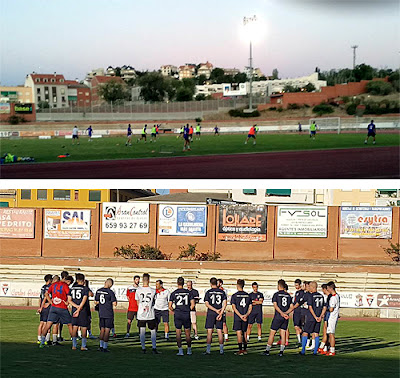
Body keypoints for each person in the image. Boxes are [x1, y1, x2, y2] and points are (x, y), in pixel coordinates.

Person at [38, 275, 75, 348]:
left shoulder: (53, 285)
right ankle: (74, 344)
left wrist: (51, 302)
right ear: (67, 281)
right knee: (69, 324)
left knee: (48, 325)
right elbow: (69, 296)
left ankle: (42, 342)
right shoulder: (65, 286)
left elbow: (46, 294)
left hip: (53, 307)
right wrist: (67, 302)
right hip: (62, 307)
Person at [262, 279, 292, 357]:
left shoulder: (276, 294)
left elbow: (275, 306)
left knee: (272, 333)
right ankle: (281, 351)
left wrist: (282, 313)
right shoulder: (288, 295)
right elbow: (292, 307)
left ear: (279, 286)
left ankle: (267, 350)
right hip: (285, 317)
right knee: (283, 334)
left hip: (278, 316)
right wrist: (286, 313)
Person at [296, 281, 326, 355]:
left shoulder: (311, 296)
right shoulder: (321, 296)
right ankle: (315, 351)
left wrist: (315, 316)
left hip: (311, 317)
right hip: (319, 318)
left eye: (309, 287)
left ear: (312, 287)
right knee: (316, 333)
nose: (308, 288)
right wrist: (320, 316)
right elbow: (324, 307)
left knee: (305, 332)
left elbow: (310, 307)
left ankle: (303, 350)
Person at [169, 277, 195, 356]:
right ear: (184, 283)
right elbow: (193, 304)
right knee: (187, 333)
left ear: (177, 283)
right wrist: (187, 309)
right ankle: (189, 350)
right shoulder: (189, 293)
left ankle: (180, 350)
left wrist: (174, 311)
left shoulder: (174, 293)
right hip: (186, 314)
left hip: (178, 314)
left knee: (178, 332)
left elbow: (170, 306)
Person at [136, 273, 159, 354]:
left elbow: (137, 302)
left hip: (141, 314)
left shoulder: (138, 290)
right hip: (150, 314)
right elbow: (154, 301)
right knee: (153, 331)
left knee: (142, 331)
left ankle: (143, 348)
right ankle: (154, 348)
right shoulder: (153, 291)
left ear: (142, 280)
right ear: (149, 280)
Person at [203, 277, 227, 355]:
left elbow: (207, 304)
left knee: (209, 331)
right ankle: (221, 350)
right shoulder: (222, 292)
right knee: (219, 331)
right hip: (219, 312)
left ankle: (208, 350)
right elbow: (225, 304)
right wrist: (220, 313)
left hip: (211, 313)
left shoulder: (208, 292)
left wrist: (215, 310)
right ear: (217, 283)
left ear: (210, 284)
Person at [94, 278, 117, 353]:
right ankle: (105, 347)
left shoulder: (98, 291)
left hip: (101, 312)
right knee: (107, 330)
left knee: (102, 329)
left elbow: (96, 302)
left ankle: (100, 346)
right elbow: (114, 303)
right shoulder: (110, 292)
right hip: (108, 313)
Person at [230, 279, 252, 355]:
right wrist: (246, 315)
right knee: (245, 333)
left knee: (239, 333)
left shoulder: (234, 296)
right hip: (245, 317)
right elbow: (250, 307)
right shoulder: (248, 295)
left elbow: (234, 307)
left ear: (237, 285)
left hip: (238, 317)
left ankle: (240, 350)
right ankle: (245, 350)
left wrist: (240, 316)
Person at [68, 273, 89, 351]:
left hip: (74, 309)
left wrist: (76, 307)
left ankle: (74, 345)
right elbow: (84, 299)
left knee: (75, 327)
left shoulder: (71, 289)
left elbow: (69, 300)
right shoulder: (85, 289)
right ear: (83, 280)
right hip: (82, 310)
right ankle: (83, 345)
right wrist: (79, 308)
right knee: (83, 327)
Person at [320, 281, 340, 356]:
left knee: (331, 334)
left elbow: (331, 309)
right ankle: (329, 349)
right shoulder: (337, 296)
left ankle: (332, 350)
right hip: (333, 317)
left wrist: (325, 310)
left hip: (332, 318)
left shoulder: (333, 298)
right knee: (329, 333)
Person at [37, 274, 53, 345]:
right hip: (47, 307)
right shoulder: (50, 287)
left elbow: (40, 298)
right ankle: (47, 339)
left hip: (42, 307)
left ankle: (39, 338)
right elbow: (50, 297)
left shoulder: (43, 287)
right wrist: (49, 304)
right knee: (47, 323)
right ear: (50, 280)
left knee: (41, 323)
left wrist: (40, 307)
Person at [292, 279, 305, 347]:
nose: (296, 286)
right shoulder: (297, 292)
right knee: (296, 326)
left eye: (297, 285)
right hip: (296, 311)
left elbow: (299, 302)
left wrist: (293, 307)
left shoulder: (302, 292)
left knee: (299, 327)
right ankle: (300, 340)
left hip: (300, 311)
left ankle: (302, 339)